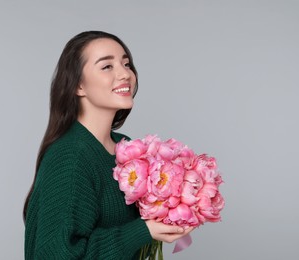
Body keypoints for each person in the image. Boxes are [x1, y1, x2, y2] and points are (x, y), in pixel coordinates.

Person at [23, 30, 194, 259]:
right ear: (78, 86)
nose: (125, 74)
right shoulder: (71, 156)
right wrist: (143, 231)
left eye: (126, 63)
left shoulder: (128, 149)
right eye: (107, 66)